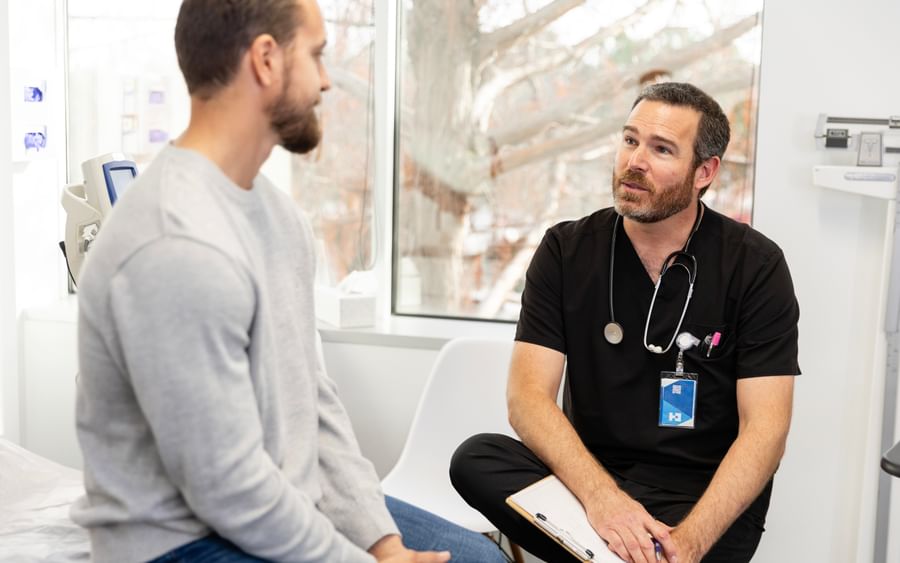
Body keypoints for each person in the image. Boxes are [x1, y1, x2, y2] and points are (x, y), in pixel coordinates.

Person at [70, 1, 506, 562]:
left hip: (285, 500)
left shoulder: (278, 217)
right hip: (183, 541)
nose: (327, 81)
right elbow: (226, 487)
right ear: (267, 60)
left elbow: (312, 402)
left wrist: (385, 543)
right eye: (318, 55)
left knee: (482, 558)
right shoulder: (173, 242)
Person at [450, 82, 800, 563]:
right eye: (630, 140)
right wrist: (603, 499)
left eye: (661, 149)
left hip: (698, 496)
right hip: (588, 483)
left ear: (705, 172)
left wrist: (688, 543)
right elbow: (527, 398)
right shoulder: (567, 251)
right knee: (477, 458)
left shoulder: (754, 265)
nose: (635, 160)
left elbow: (766, 429)